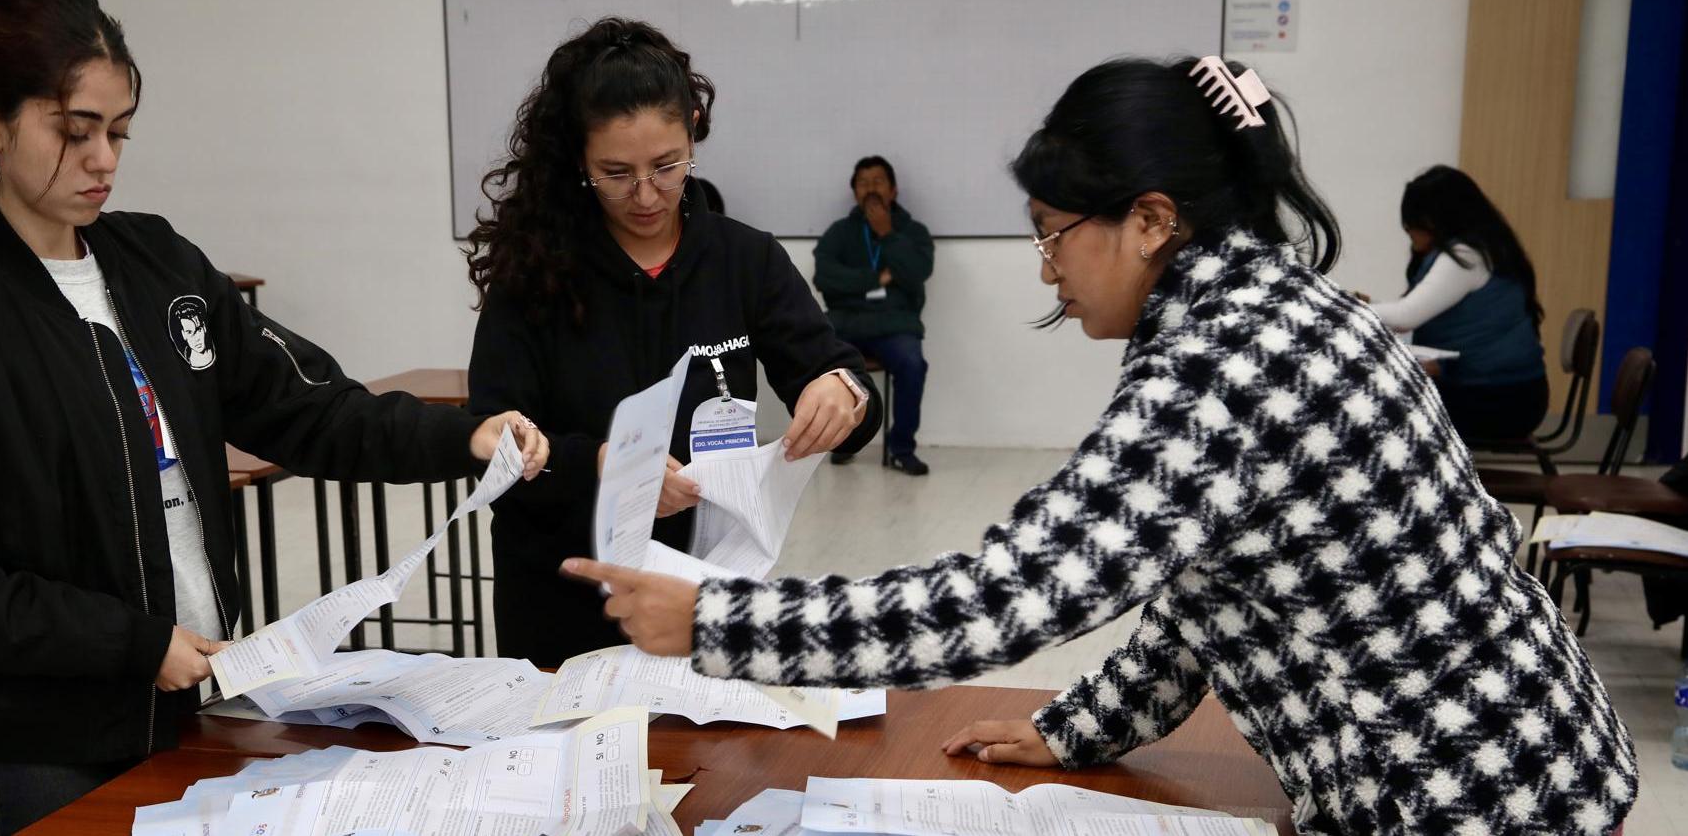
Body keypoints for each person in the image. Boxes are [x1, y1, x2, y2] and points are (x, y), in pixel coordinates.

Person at [563, 56, 1637, 835]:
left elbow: (1006, 597)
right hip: (1520, 759)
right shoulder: (1266, 305)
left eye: (1052, 231)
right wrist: (1083, 730)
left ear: (1152, 220)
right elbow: (1206, 582)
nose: (1045, 267)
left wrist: (717, 621)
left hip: (1475, 797)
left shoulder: (1223, 360)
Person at [0, 0, 548, 831]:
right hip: (47, 744)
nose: (103, 159)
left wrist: (461, 436)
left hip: (192, 703)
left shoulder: (157, 264)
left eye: (119, 132)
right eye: (74, 131)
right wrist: (132, 646)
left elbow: (305, 408)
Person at [465, 18, 882, 668]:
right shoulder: (534, 274)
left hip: (703, 598)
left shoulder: (743, 260)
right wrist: (603, 469)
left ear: (693, 129)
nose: (645, 195)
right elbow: (493, 440)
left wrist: (842, 393)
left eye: (667, 167)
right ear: (578, 158)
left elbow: (837, 377)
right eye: (614, 173)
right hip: (562, 602)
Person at [1364, 165, 1547, 443]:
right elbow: (1418, 312)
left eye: (1412, 221)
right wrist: (1371, 306)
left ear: (1435, 219)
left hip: (1501, 400)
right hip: (1514, 393)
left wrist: (1345, 307)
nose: (1408, 230)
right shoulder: (1486, 248)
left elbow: (1406, 316)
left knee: (1376, 404)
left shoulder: (1465, 255)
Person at [813, 155, 934, 474]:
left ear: (893, 190)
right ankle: (843, 441)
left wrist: (887, 234)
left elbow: (917, 272)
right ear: (854, 192)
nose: (870, 189)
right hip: (846, 323)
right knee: (816, 357)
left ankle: (901, 448)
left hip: (895, 325)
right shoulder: (839, 232)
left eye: (878, 182)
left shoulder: (913, 232)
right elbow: (824, 278)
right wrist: (877, 279)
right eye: (863, 183)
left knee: (912, 363)